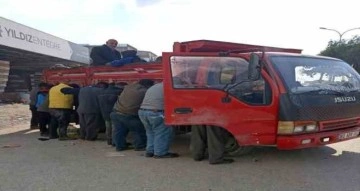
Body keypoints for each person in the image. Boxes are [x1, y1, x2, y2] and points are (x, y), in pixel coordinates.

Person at [110, 79, 154, 151]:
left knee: (119, 131)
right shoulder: (145, 91)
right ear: (148, 85)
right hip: (129, 115)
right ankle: (140, 146)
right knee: (138, 130)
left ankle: (120, 146)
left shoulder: (128, 87)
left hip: (115, 112)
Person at [138, 82, 179, 158]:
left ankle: (150, 151)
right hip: (156, 112)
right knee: (162, 132)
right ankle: (160, 153)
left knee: (150, 132)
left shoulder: (155, 86)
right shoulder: (171, 86)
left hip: (142, 112)